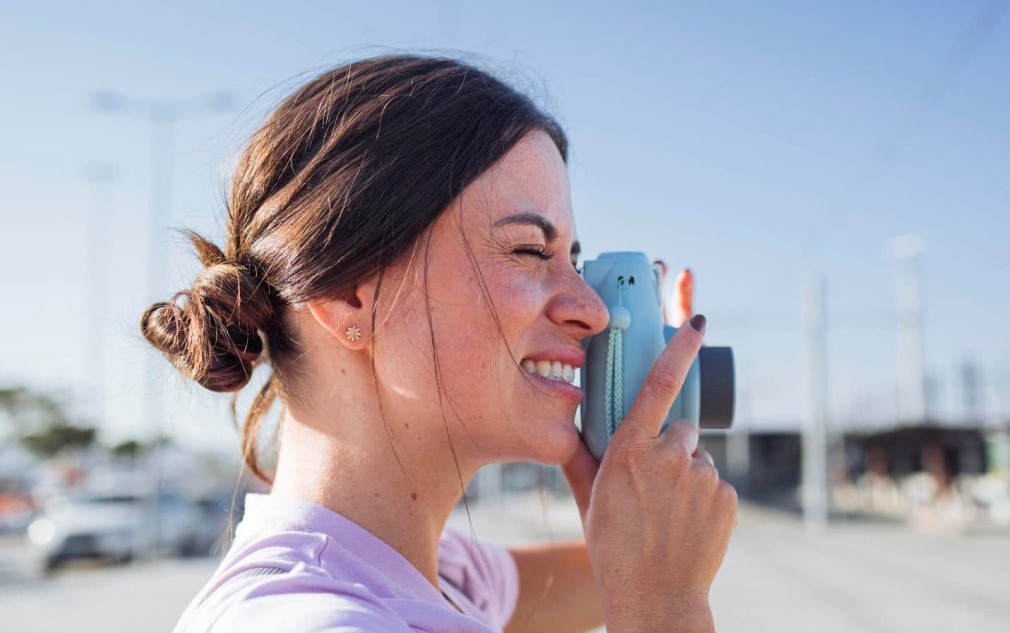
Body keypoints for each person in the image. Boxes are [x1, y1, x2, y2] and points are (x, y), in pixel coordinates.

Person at [144, 54, 737, 632]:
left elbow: (638, 568)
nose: (594, 311)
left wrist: (641, 484)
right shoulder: (317, 620)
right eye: (531, 251)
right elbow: (651, 589)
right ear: (349, 292)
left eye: (576, 262)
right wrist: (669, 614)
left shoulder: (438, 577)